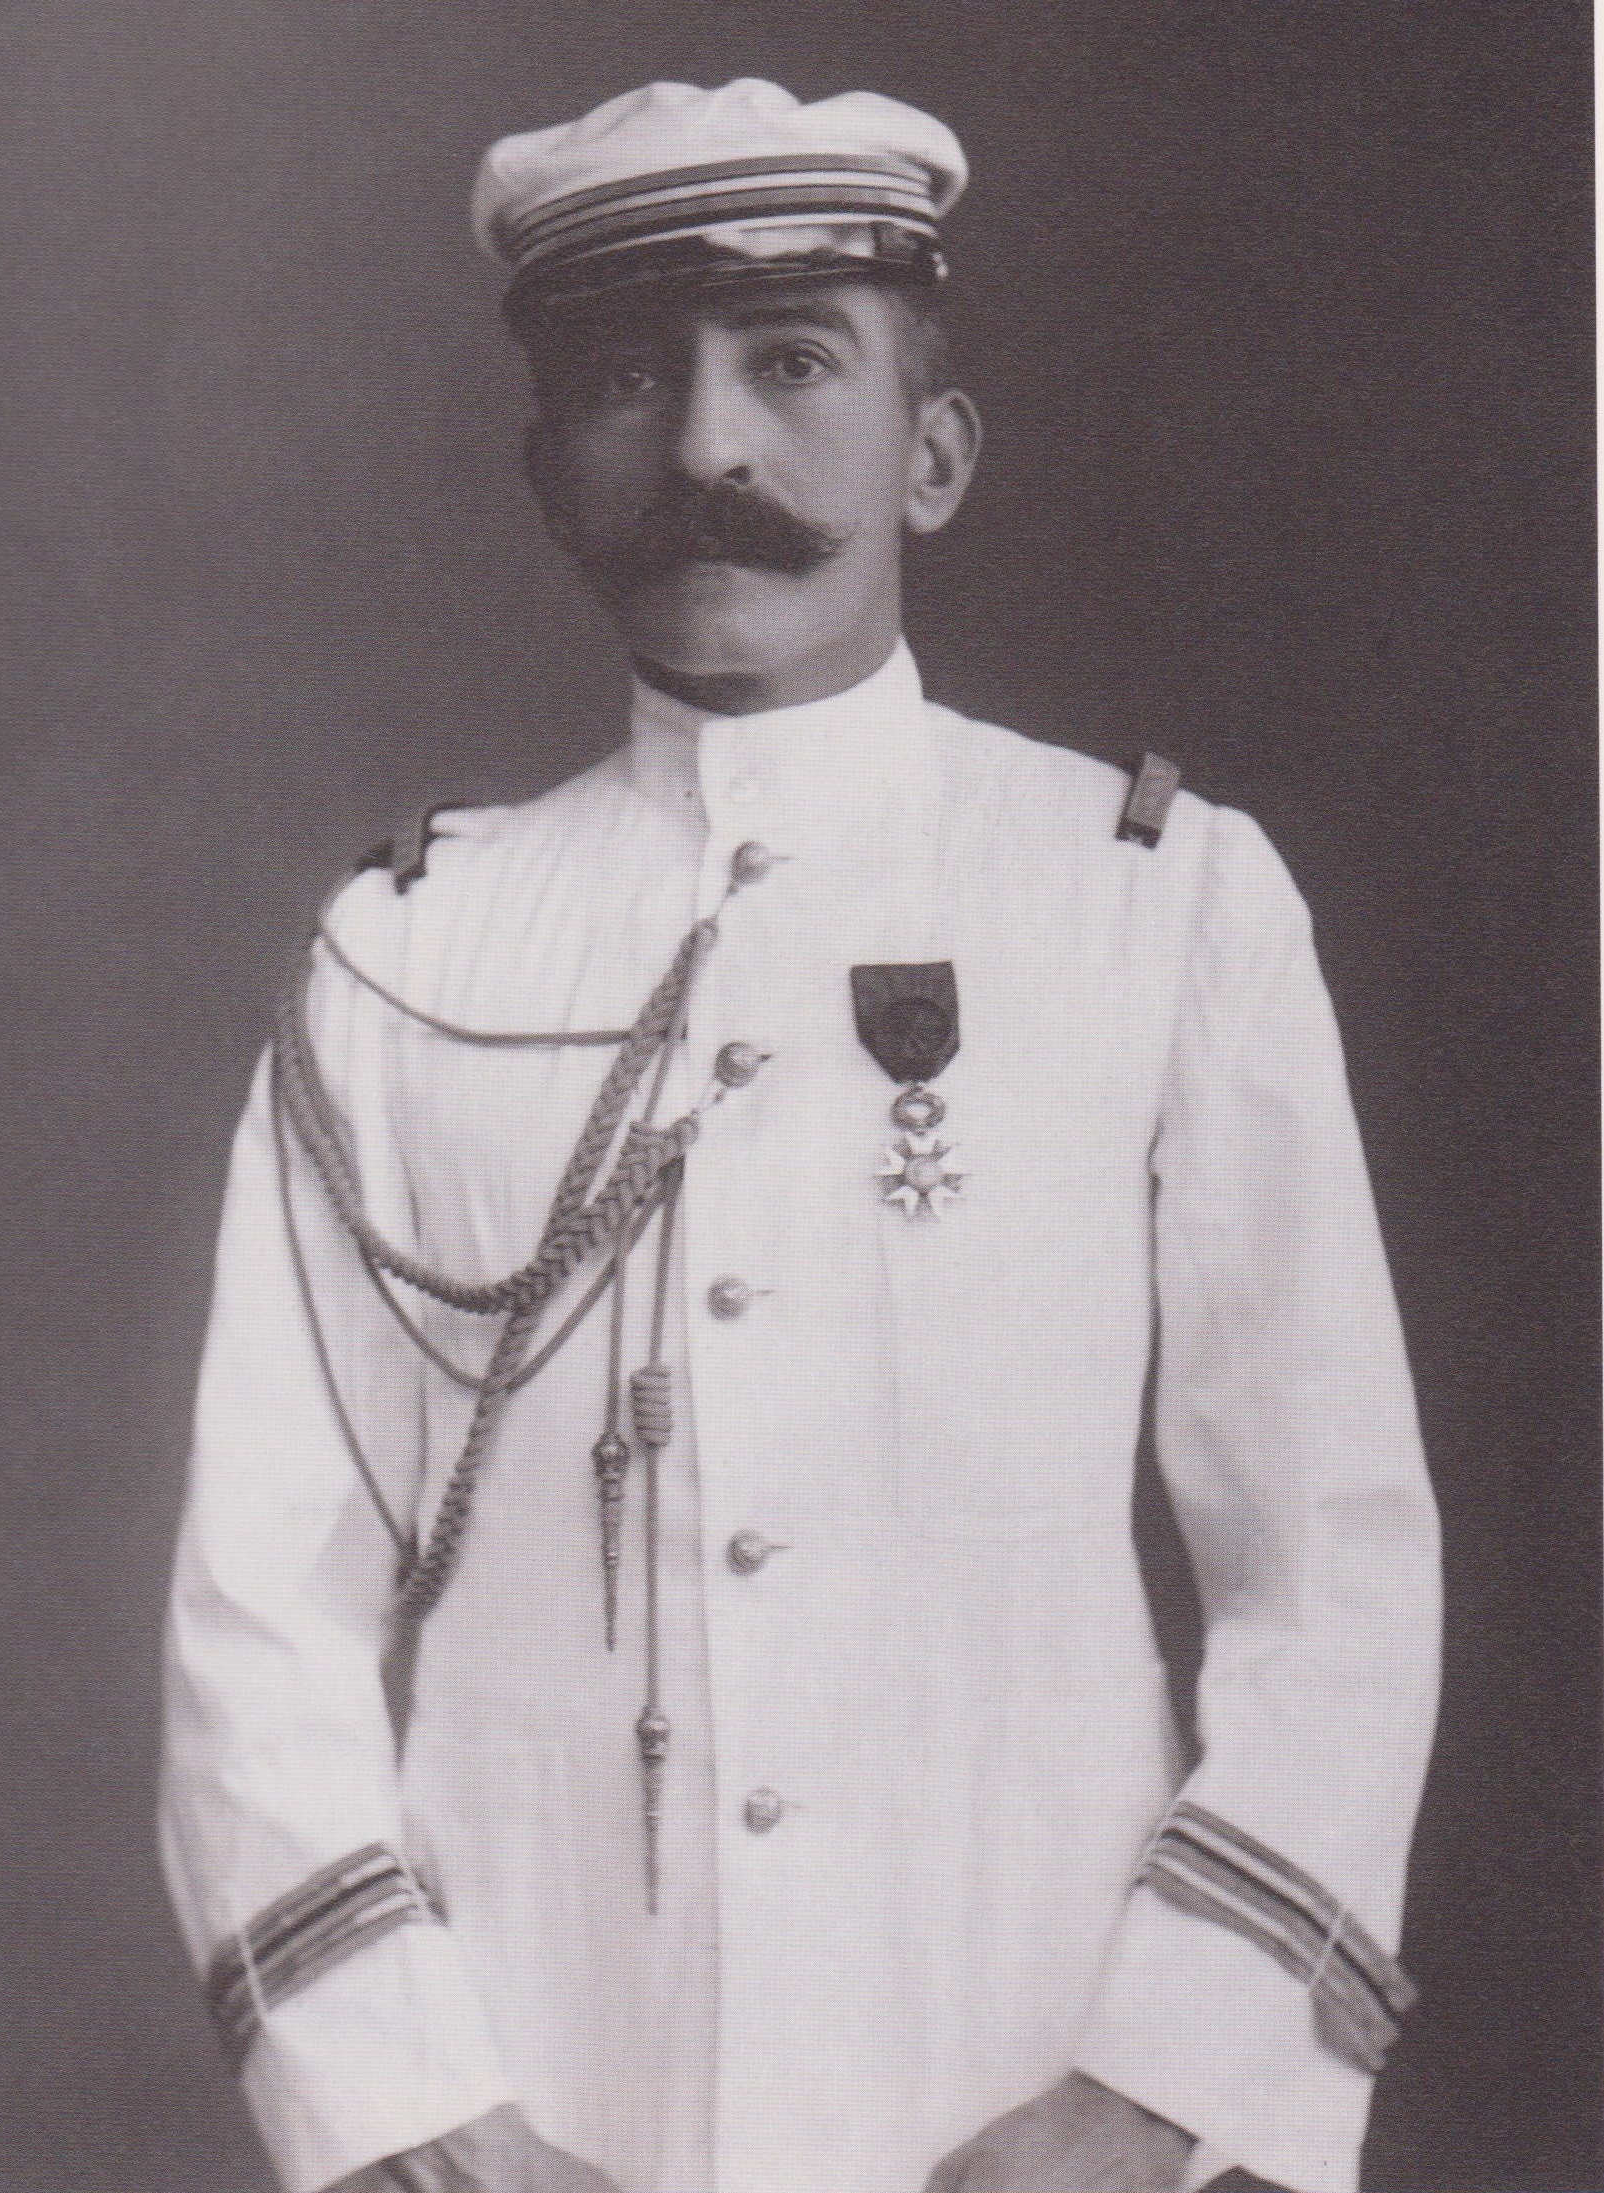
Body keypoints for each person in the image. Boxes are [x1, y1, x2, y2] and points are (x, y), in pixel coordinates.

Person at [159, 78, 1442, 2193]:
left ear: (931, 453)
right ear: (543, 471)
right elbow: (257, 1603)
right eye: (620, 380)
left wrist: (1159, 2093)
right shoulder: (405, 953)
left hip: (1035, 2083)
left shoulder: (1155, 903)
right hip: (547, 2091)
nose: (705, 450)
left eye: (790, 363)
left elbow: (1332, 1562)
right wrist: (408, 2112)